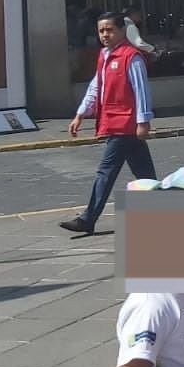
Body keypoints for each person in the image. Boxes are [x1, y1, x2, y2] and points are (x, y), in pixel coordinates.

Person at [62, 13, 155, 235]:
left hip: (125, 124)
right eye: (101, 30)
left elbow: (141, 90)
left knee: (106, 171)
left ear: (122, 31)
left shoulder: (131, 57)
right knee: (145, 174)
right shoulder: (105, 56)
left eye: (110, 30)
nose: (105, 34)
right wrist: (81, 113)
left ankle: (88, 219)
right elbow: (97, 86)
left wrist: (143, 121)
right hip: (114, 121)